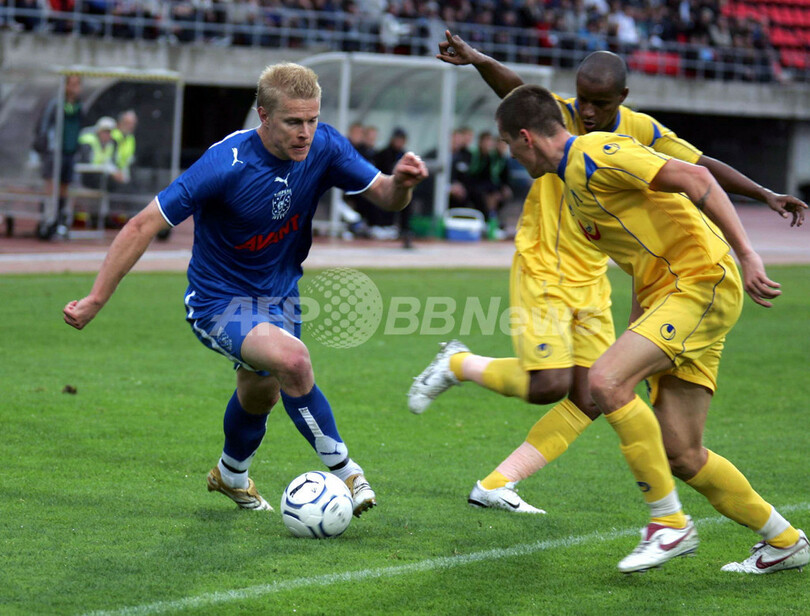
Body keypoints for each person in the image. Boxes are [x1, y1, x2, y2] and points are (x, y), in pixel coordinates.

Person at [409, 31, 807, 518]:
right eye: (582, 101)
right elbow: (513, 91)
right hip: (545, 261)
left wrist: (765, 194)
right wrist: (477, 60)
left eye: (600, 103)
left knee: (596, 393)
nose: (588, 112)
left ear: (622, 99)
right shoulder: (561, 122)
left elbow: (700, 166)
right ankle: (458, 365)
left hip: (598, 269)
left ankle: (499, 481)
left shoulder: (639, 132)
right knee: (552, 384)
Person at [63, 62, 428, 517]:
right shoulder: (225, 163)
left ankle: (230, 476)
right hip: (219, 301)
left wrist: (403, 185)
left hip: (280, 295)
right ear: (264, 115)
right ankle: (347, 472)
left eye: (312, 120)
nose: (306, 132)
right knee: (293, 362)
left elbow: (386, 196)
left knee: (263, 391)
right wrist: (97, 298)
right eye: (294, 121)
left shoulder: (326, 145)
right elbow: (143, 224)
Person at [494, 83, 809, 574]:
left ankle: (669, 524)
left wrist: (747, 255)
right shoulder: (574, 191)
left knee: (603, 381)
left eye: (508, 144)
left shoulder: (597, 152)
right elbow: (641, 257)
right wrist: (637, 330)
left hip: (702, 283)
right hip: (674, 298)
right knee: (682, 453)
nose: (509, 155)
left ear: (526, 138)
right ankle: (785, 541)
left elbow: (696, 178)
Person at [32, 73, 83, 240]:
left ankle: (60, 220)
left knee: (65, 187)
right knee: (51, 186)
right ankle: (47, 220)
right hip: (54, 152)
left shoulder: (79, 106)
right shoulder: (56, 104)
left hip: (69, 152)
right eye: (72, 84)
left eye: (78, 85)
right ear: (66, 86)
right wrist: (45, 147)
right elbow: (44, 126)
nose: (75, 88)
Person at [77, 116, 125, 189]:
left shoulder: (111, 144)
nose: (107, 135)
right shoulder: (89, 142)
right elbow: (87, 163)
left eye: (110, 132)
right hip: (87, 176)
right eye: (105, 131)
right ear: (99, 131)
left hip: (102, 177)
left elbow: (112, 162)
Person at [111, 109, 138, 185]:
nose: (131, 126)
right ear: (120, 123)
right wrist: (115, 171)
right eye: (128, 123)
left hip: (123, 173)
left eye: (133, 124)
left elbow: (129, 160)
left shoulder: (130, 138)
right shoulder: (113, 136)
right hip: (111, 174)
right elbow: (109, 157)